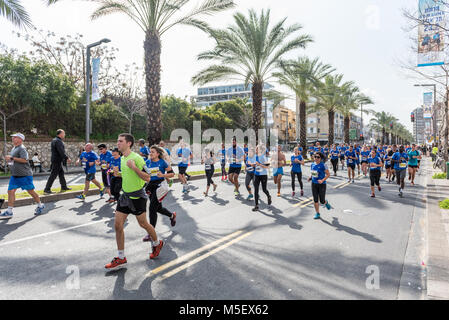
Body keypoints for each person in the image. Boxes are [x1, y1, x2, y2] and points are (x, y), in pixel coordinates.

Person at [105, 133, 163, 270]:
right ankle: (121, 257)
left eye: (120, 141)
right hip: (125, 197)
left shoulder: (136, 158)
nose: (117, 143)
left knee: (143, 224)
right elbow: (127, 176)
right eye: (117, 141)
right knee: (118, 225)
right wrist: (117, 173)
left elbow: (148, 177)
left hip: (137, 197)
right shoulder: (122, 158)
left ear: (128, 143)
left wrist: (134, 168)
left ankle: (157, 243)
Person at [0, 133, 45, 219]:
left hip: (24, 175)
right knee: (10, 191)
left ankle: (40, 205)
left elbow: (24, 160)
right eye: (12, 137)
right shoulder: (14, 148)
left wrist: (12, 158)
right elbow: (14, 160)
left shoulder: (22, 148)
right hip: (15, 176)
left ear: (20, 139)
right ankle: (9, 211)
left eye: (15, 137)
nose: (12, 138)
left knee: (31, 192)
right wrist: (10, 161)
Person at [143, 145, 176, 232]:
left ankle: (151, 232)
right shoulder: (147, 162)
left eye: (153, 152)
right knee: (158, 208)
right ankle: (172, 215)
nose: (150, 153)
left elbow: (172, 174)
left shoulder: (163, 162)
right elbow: (142, 174)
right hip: (150, 186)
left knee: (152, 208)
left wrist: (163, 175)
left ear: (157, 154)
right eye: (150, 152)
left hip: (160, 186)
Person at [44, 129, 71, 194]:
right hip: (57, 160)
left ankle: (64, 186)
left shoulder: (54, 140)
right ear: (60, 134)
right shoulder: (58, 141)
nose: (64, 135)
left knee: (61, 173)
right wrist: (66, 158)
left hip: (56, 160)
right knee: (53, 175)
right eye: (64, 133)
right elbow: (61, 151)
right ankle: (47, 189)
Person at [308, 152, 332, 220]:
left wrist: (322, 180)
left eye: (318, 157)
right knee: (315, 199)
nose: (316, 158)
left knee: (321, 201)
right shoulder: (312, 164)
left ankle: (325, 202)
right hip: (314, 184)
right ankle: (317, 213)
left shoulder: (323, 165)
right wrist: (310, 177)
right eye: (315, 157)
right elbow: (313, 173)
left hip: (322, 184)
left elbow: (328, 174)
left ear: (320, 158)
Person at [252, 145, 271, 212]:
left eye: (257, 149)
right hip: (256, 175)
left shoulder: (263, 157)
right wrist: (254, 165)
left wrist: (259, 164)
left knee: (264, 189)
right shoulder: (255, 156)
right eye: (256, 149)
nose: (256, 150)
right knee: (256, 190)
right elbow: (255, 165)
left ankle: (268, 196)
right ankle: (256, 205)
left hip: (263, 175)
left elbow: (268, 167)